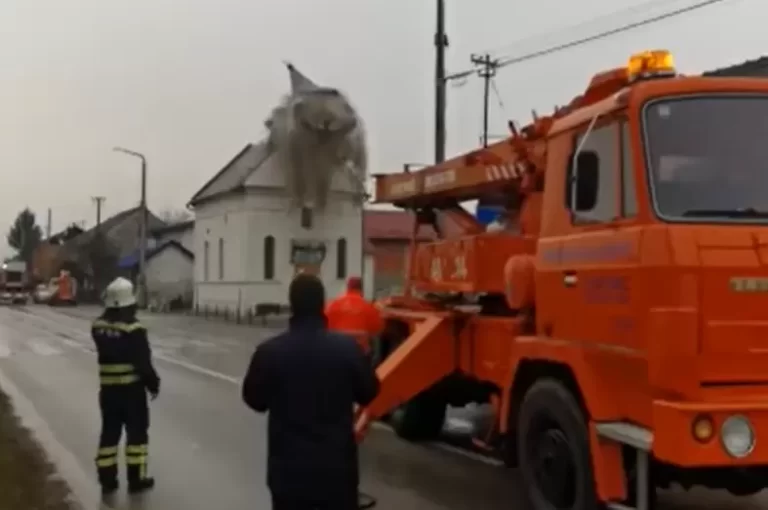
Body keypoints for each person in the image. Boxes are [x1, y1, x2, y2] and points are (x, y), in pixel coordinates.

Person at [242, 273, 380, 510]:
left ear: (292, 304)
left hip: (288, 477)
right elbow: (369, 391)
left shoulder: (269, 352)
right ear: (322, 305)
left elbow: (254, 400)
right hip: (337, 476)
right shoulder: (347, 349)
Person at [92, 277, 160, 496]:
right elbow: (143, 363)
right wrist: (153, 384)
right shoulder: (134, 329)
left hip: (108, 393)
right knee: (136, 437)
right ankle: (136, 479)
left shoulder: (98, 327)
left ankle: (107, 480)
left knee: (109, 435)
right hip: (132, 393)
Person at [325, 276, 384, 355]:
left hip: (337, 351)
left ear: (347, 288)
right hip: (360, 352)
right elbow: (378, 329)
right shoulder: (368, 307)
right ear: (361, 289)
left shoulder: (333, 305)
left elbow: (324, 326)